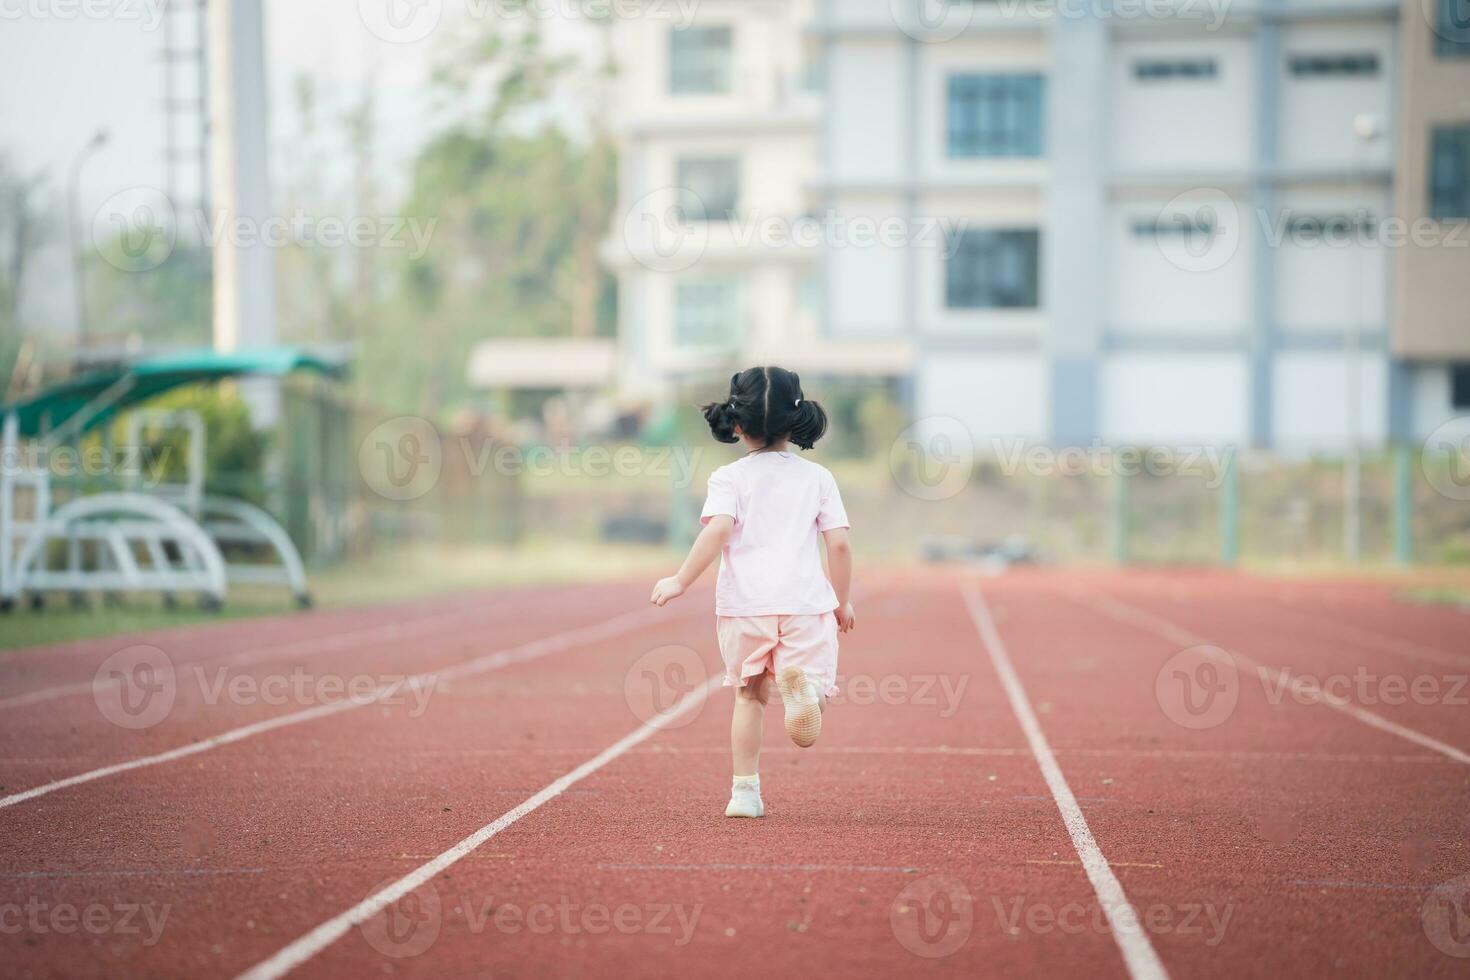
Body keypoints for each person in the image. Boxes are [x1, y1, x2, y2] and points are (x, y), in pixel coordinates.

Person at [650, 366, 855, 819]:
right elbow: (838, 544)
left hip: (745, 606)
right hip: (804, 604)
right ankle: (807, 696)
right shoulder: (818, 479)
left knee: (749, 697)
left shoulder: (729, 478)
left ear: (737, 424)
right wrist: (842, 601)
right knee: (813, 685)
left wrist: (680, 580)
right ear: (796, 418)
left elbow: (718, 531)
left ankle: (744, 793)